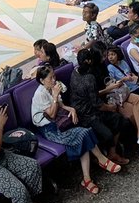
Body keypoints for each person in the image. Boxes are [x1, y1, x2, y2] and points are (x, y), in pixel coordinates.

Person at [31, 64, 121, 194]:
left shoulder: (52, 88)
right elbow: (51, 114)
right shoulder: (40, 94)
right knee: (84, 133)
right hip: (50, 129)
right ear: (42, 80)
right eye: (51, 78)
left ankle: (87, 179)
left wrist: (71, 109)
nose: (54, 80)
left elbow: (61, 106)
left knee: (83, 135)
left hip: (58, 122)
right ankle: (101, 160)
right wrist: (55, 96)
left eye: (54, 76)